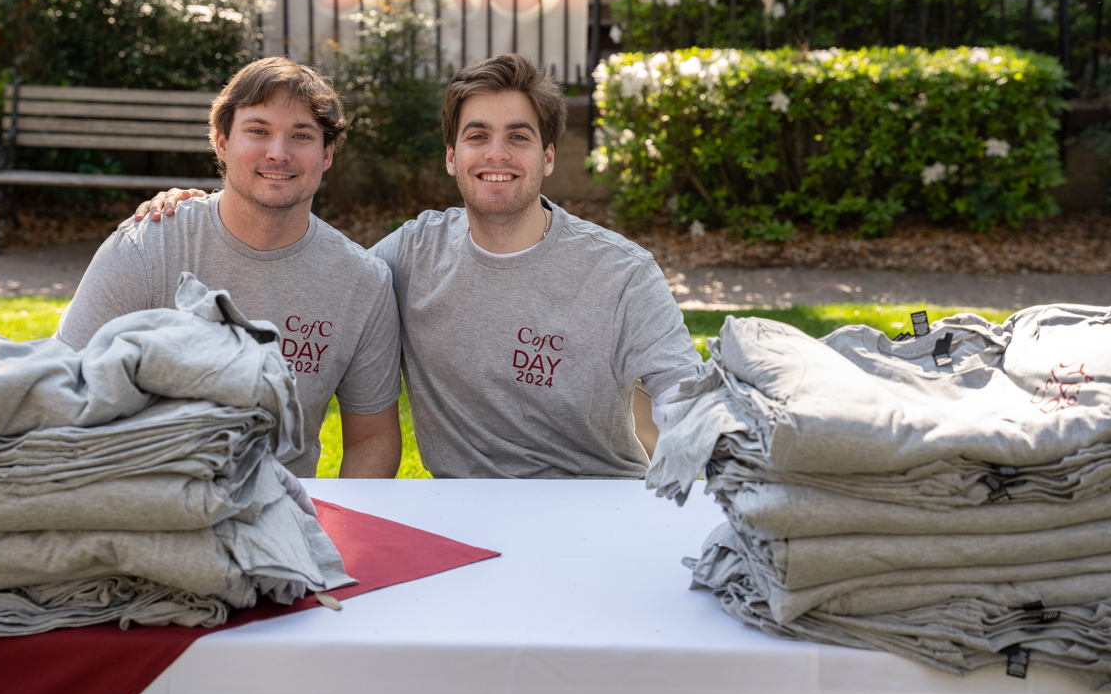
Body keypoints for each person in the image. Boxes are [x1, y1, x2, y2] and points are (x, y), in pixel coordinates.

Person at [140, 54, 704, 480]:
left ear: (548, 156)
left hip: (595, 505)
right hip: (456, 516)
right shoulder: (409, 257)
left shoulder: (621, 273)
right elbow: (314, 267)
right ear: (452, 156)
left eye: (519, 138)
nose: (496, 154)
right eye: (476, 136)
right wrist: (209, 211)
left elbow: (690, 404)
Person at [57, 57, 403, 479]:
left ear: (327, 154)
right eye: (258, 131)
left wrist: (339, 531)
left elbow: (373, 437)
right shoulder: (148, 247)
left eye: (301, 136)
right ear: (221, 142)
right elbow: (64, 388)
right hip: (145, 496)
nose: (279, 153)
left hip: (280, 511)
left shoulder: (362, 282)